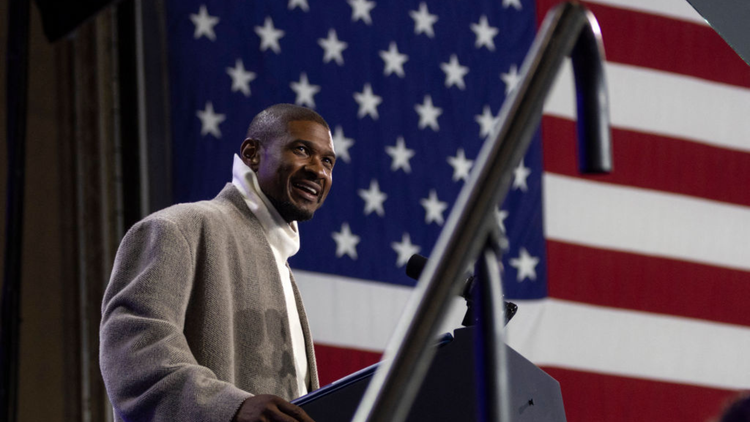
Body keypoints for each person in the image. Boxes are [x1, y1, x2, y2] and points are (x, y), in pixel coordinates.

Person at [99, 104, 336, 422]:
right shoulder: (179, 227)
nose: (318, 170)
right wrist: (229, 407)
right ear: (252, 153)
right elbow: (133, 353)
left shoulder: (280, 263)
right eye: (303, 150)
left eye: (328, 162)